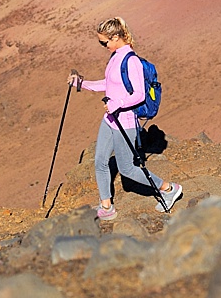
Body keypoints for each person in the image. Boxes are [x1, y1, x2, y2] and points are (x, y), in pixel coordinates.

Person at [69, 17, 182, 220]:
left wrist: (116, 103)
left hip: (126, 121)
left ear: (115, 37)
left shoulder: (131, 61)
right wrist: (82, 83)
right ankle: (106, 207)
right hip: (110, 119)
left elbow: (138, 95)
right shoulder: (115, 57)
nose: (104, 46)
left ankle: (169, 188)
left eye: (104, 42)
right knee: (100, 161)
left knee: (127, 169)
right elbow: (109, 83)